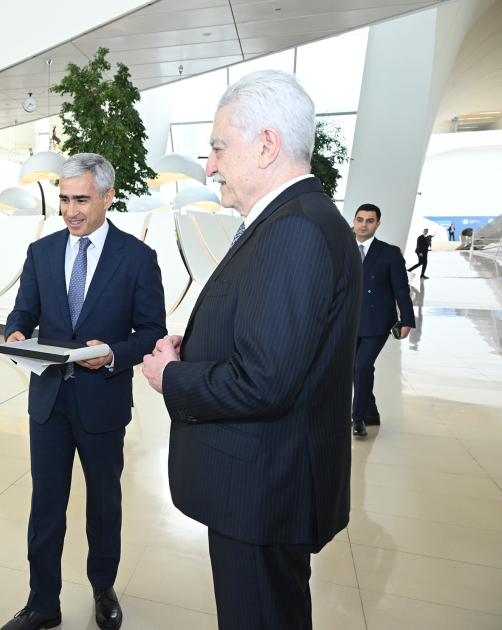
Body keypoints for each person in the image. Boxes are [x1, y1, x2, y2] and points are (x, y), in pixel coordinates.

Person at [142, 70, 360, 630]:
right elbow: (283, 338)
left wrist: (173, 377)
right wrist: (202, 344)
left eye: (217, 147)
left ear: (267, 145)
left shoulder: (293, 231)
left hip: (261, 491)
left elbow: (263, 381)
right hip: (270, 480)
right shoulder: (299, 220)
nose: (209, 165)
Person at [1, 153, 166, 630]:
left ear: (108, 197)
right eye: (65, 200)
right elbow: (22, 312)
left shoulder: (137, 258)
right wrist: (15, 334)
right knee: (46, 506)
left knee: (103, 505)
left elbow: (152, 331)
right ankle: (42, 603)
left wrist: (114, 352)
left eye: (81, 199)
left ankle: (103, 588)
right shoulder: (43, 252)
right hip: (49, 401)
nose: (71, 210)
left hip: (102, 401)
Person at [351, 204, 415, 437]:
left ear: (377, 224)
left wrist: (407, 318)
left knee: (362, 366)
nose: (364, 225)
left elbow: (400, 288)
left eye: (369, 221)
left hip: (377, 321)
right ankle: (371, 411)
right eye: (360, 219)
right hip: (349, 321)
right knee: (355, 369)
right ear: (354, 221)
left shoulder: (389, 252)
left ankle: (357, 419)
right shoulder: (344, 248)